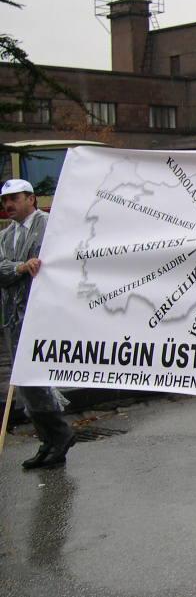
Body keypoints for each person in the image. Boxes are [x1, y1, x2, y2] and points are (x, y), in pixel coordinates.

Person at [0, 179, 77, 469]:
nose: (8, 205)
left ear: (31, 199)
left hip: (43, 312)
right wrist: (20, 267)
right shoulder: (6, 236)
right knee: (24, 380)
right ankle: (48, 439)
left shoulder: (49, 226)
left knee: (39, 374)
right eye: (5, 200)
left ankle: (60, 434)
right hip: (14, 316)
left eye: (14, 198)